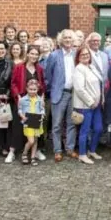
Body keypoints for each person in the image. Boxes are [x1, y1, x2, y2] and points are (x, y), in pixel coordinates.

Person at [45, 29, 78, 162]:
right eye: (65, 38)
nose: (68, 40)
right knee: (57, 124)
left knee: (71, 123)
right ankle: (57, 150)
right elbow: (48, 75)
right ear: (60, 40)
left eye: (70, 38)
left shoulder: (76, 54)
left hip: (74, 94)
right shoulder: (54, 55)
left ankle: (70, 148)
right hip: (59, 93)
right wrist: (53, 89)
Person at [11, 46, 46, 161]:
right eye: (32, 53)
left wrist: (42, 97)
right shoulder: (19, 67)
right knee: (18, 126)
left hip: (35, 102)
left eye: (36, 54)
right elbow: (13, 84)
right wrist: (18, 96)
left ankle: (36, 151)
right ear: (27, 54)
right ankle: (13, 150)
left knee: (36, 126)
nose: (34, 56)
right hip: (22, 101)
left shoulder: (39, 68)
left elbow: (42, 85)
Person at [72, 45, 104, 164]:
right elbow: (80, 89)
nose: (85, 56)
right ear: (78, 57)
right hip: (85, 106)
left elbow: (99, 84)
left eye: (87, 54)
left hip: (97, 105)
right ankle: (82, 154)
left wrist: (101, 99)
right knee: (84, 131)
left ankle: (92, 150)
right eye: (82, 55)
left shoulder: (92, 67)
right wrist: (91, 102)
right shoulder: (78, 69)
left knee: (98, 128)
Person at [18, 79, 45, 165]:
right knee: (31, 141)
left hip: (37, 122)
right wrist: (22, 116)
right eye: (31, 89)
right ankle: (24, 154)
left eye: (35, 89)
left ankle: (33, 157)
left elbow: (42, 110)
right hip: (28, 122)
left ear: (37, 89)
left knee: (35, 140)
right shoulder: (23, 99)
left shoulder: (40, 99)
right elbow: (19, 110)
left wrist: (42, 115)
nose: (33, 91)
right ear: (27, 89)